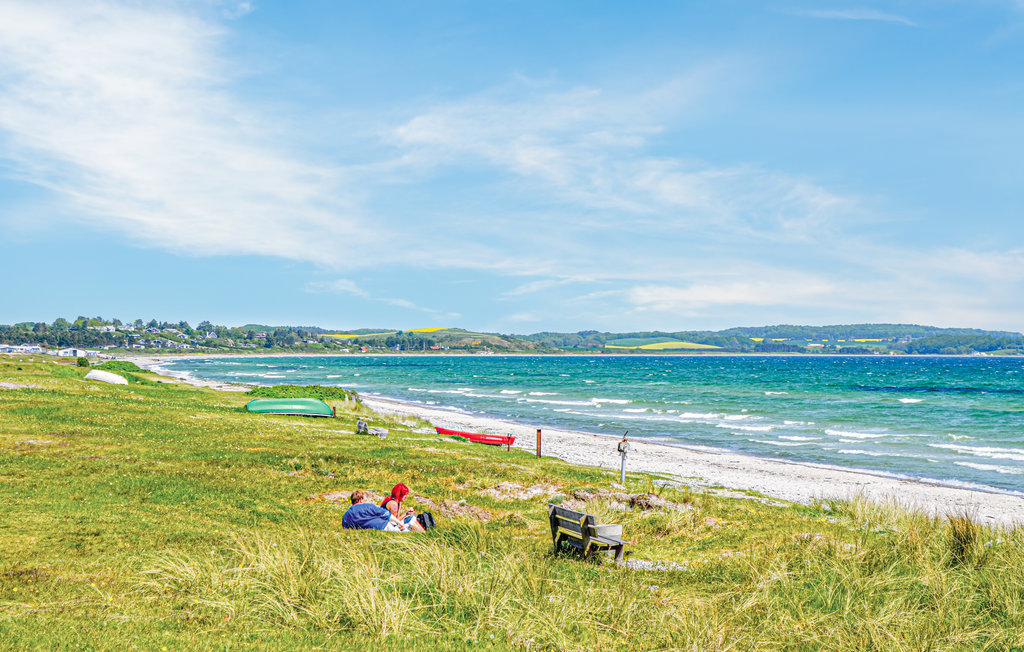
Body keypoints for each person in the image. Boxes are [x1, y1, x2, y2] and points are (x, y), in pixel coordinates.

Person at [342, 489, 421, 532]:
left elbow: (346, 529)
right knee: (410, 522)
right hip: (383, 526)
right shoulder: (368, 506)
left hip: (371, 529)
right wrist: (400, 523)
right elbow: (387, 515)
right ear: (361, 499)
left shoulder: (346, 516)